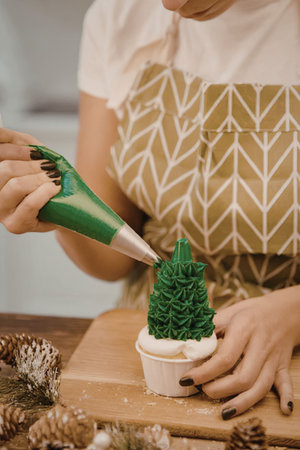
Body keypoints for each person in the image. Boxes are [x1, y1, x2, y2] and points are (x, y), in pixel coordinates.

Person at [0, 0, 299, 420]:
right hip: (146, 348)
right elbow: (111, 262)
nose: (171, 4)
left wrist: (293, 312)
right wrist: (55, 209)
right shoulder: (120, 17)